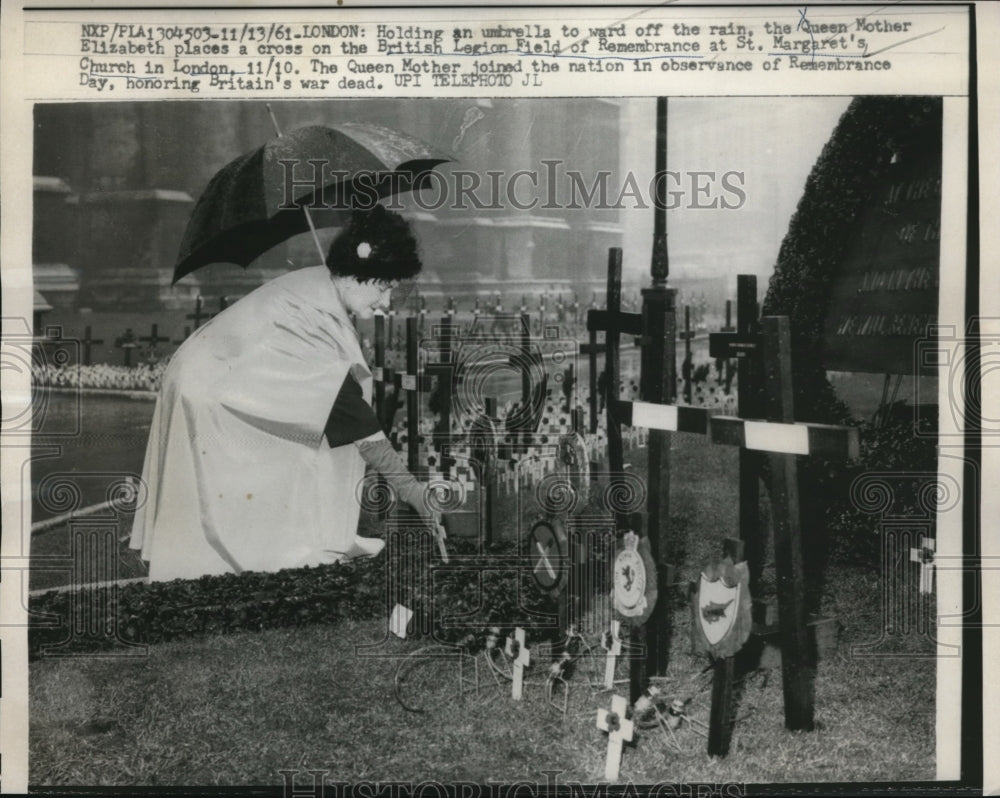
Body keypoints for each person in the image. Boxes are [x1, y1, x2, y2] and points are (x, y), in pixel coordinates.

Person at [130, 206, 438, 582]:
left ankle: (290, 546)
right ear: (362, 273)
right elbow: (351, 415)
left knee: (300, 449)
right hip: (208, 390)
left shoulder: (322, 292)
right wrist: (411, 489)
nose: (387, 303)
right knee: (228, 504)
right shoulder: (312, 312)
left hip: (214, 379)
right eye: (385, 287)